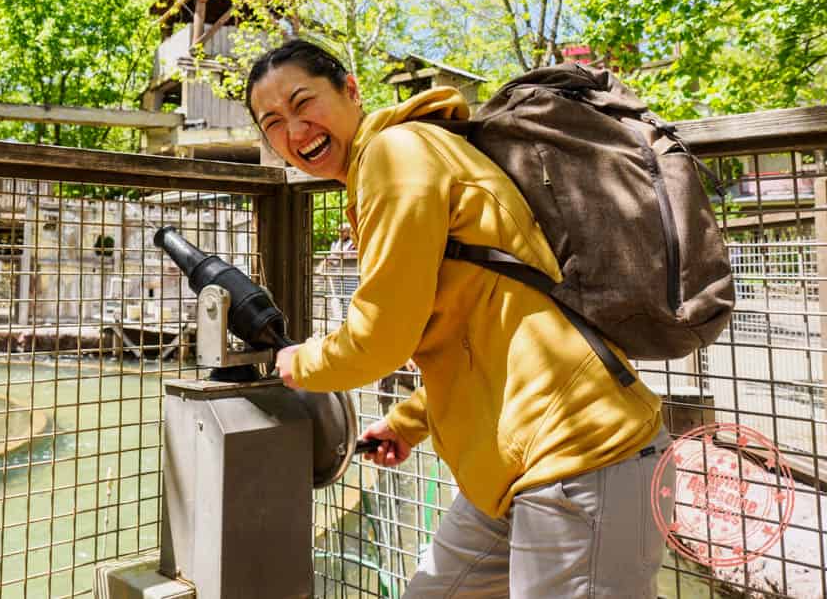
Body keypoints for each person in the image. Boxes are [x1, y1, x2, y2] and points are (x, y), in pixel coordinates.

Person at [245, 39, 675, 598]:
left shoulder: (393, 154)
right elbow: (478, 326)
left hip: (581, 454)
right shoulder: (407, 154)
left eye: (304, 103)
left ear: (351, 89)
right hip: (510, 467)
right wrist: (409, 421)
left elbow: (382, 337)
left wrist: (300, 362)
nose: (296, 131)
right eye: (273, 122)